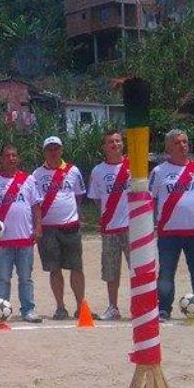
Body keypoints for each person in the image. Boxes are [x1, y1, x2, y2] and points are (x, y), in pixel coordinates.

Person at [151, 129, 194, 321]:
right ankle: (163, 309)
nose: (182, 145)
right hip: (168, 232)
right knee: (166, 273)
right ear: (168, 147)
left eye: (185, 142)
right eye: (177, 142)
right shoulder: (159, 171)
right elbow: (152, 199)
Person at [0, 144, 43, 323]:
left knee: (26, 278)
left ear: (18, 158)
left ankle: (28, 310)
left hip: (24, 238)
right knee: (3, 279)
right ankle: (1, 312)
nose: (11, 158)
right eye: (7, 155)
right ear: (1, 159)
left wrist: (38, 226)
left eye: (14, 155)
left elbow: (36, 205)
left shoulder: (28, 179)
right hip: (2, 240)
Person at [32, 136, 87, 321]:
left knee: (76, 267)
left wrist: (75, 216)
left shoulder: (73, 171)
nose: (53, 152)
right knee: (54, 269)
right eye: (50, 149)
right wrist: (37, 225)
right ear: (44, 152)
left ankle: (81, 306)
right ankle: (60, 307)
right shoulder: (37, 174)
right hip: (48, 228)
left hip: (70, 226)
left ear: (61, 150)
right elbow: (35, 202)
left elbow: (79, 196)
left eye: (56, 148)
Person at [87, 129, 131, 321]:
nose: (115, 144)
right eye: (110, 142)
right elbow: (97, 199)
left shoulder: (133, 165)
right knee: (111, 270)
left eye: (118, 141)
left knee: (138, 269)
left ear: (123, 144)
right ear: (104, 147)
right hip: (110, 228)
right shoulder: (98, 171)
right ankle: (113, 307)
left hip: (132, 227)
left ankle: (142, 304)